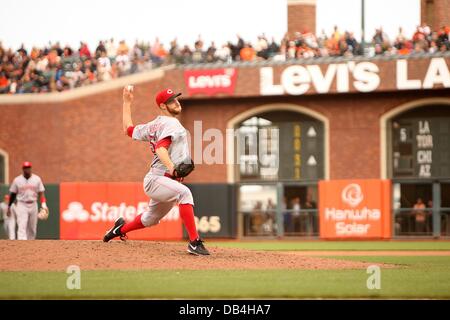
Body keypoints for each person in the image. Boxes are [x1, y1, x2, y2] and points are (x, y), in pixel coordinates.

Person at [103, 86, 210, 255]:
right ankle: (194, 242)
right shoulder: (172, 123)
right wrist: (172, 168)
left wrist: (126, 102)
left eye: (176, 99)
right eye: (171, 101)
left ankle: (118, 230)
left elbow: (128, 130)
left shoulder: (154, 125)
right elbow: (161, 148)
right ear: (162, 106)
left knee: (150, 219)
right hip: (159, 179)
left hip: (160, 181)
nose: (176, 102)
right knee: (185, 194)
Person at [8, 162, 47, 240]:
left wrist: (44, 204)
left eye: (28, 168)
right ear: (23, 169)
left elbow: (41, 192)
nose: (27, 169)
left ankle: (30, 247)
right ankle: (22, 245)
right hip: (22, 204)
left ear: (31, 168)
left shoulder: (37, 179)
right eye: (25, 168)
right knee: (22, 226)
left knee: (32, 228)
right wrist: (9, 206)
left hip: (33, 204)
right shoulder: (17, 180)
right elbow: (13, 194)